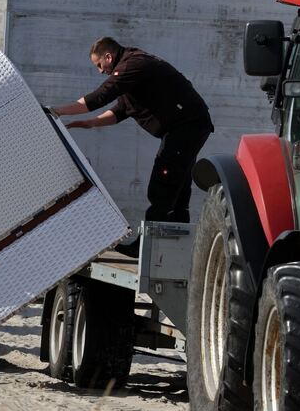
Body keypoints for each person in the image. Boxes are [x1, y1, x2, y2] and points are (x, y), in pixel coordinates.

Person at [50, 37, 214, 258]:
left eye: (100, 65)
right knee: (177, 187)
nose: (100, 71)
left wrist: (57, 110)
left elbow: (100, 96)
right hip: (186, 128)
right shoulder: (132, 74)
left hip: (188, 127)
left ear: (109, 56)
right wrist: (89, 123)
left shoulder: (133, 64)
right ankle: (176, 251)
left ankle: (147, 249)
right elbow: (120, 110)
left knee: (162, 186)